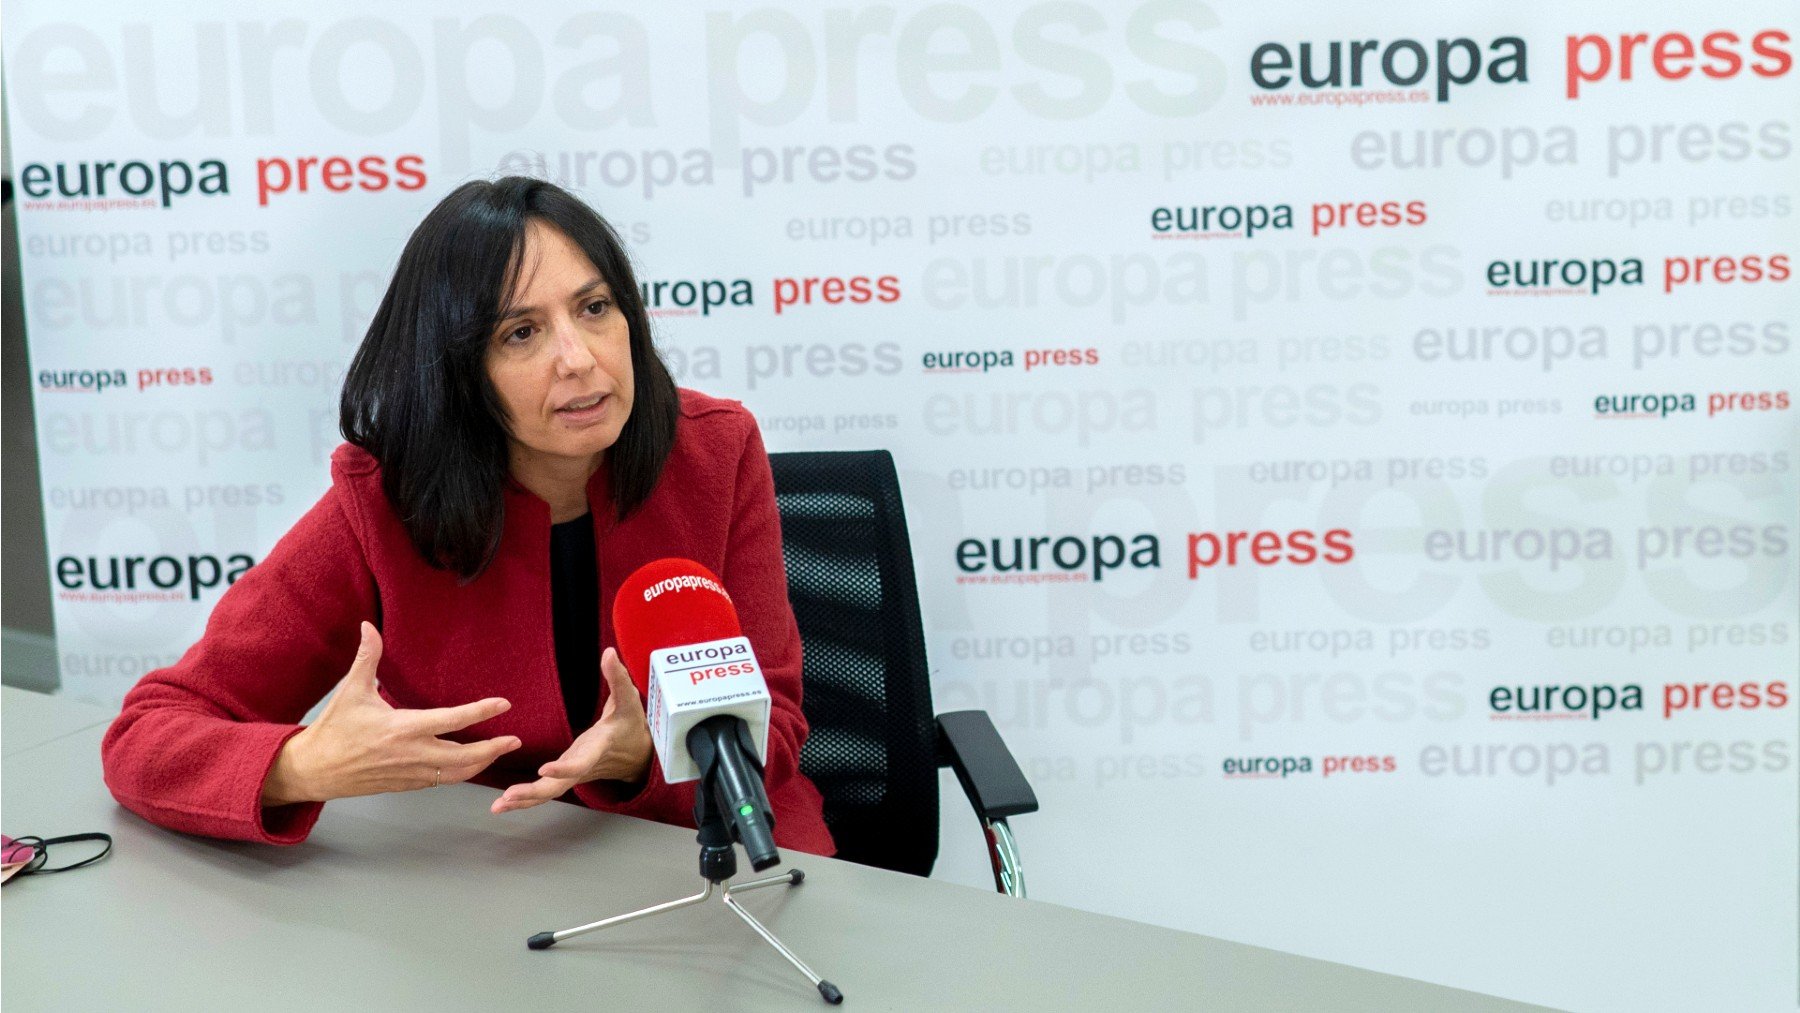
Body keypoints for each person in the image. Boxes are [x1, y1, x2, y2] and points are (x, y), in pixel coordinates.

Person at [99, 177, 835, 856]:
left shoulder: (716, 453)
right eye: (521, 332)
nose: (578, 358)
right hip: (494, 880)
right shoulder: (383, 505)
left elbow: (777, 731)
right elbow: (147, 733)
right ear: (456, 371)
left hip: (718, 855)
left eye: (595, 307)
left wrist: (646, 752)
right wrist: (302, 763)